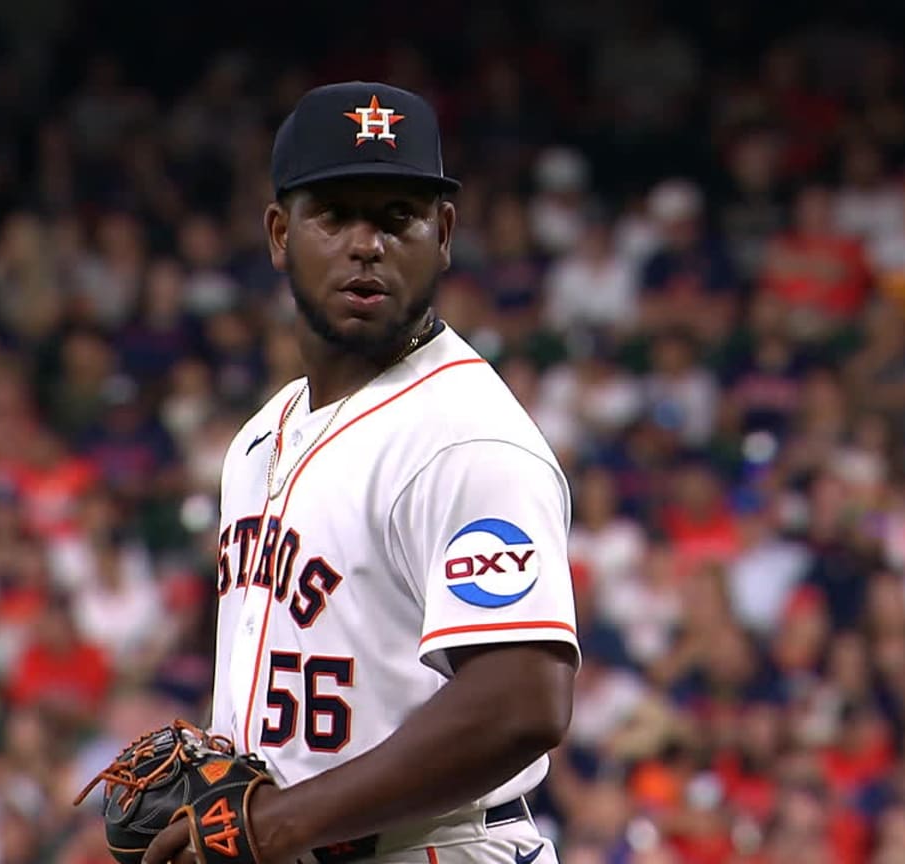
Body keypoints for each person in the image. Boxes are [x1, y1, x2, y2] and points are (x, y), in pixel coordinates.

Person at [143, 82, 579, 864]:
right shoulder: (257, 439)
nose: (365, 243)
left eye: (396, 217)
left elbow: (522, 703)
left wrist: (277, 822)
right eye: (335, 215)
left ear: (443, 234)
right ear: (280, 234)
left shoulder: (466, 438)